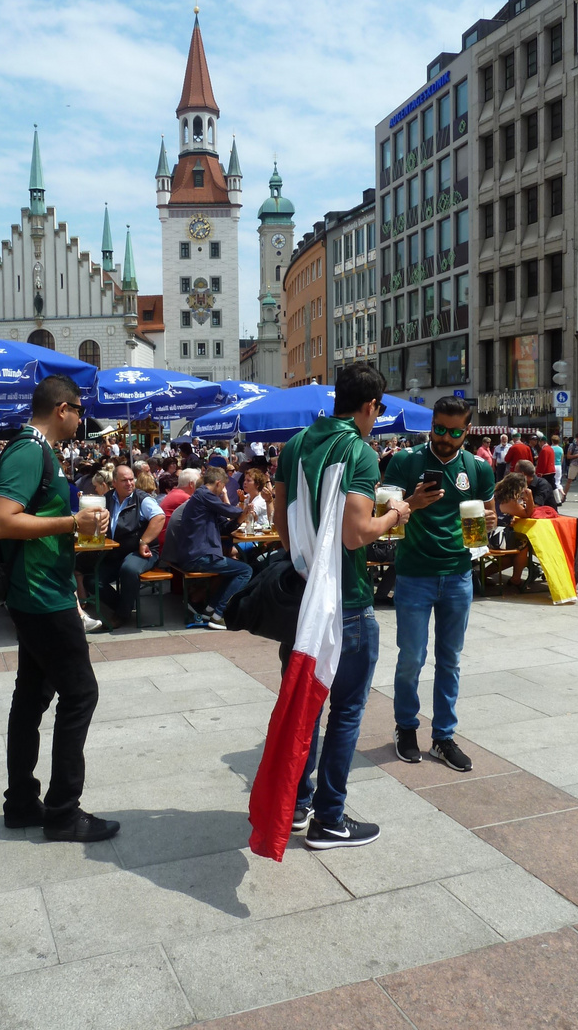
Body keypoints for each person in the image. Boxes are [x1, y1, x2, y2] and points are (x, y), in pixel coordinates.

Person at [252, 362, 409, 854]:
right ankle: (330, 818)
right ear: (370, 406)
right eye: (378, 409)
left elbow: (281, 518)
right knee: (345, 711)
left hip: (304, 601)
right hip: (348, 600)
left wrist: (305, 561)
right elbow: (355, 532)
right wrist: (396, 515)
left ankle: (298, 805)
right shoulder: (359, 451)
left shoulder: (296, 444)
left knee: (306, 706)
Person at [0, 374, 119, 843]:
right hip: (41, 594)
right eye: (79, 410)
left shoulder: (34, 450)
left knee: (31, 697)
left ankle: (22, 802)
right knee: (80, 694)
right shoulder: (28, 449)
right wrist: (72, 521)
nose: (82, 418)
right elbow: (2, 522)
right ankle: (63, 812)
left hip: (40, 590)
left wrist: (77, 526)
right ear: (62, 408)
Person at [385, 395, 497, 773]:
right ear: (431, 423)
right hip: (414, 573)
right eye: (438, 429)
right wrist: (411, 503)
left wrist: (492, 522)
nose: (444, 438)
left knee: (449, 660)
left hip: (458, 573)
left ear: (467, 430)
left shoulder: (478, 469)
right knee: (411, 658)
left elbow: (488, 512)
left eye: (453, 431)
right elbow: (386, 516)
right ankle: (406, 728)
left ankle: (443, 736)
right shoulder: (405, 461)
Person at [176, 465, 253, 630]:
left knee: (233, 571)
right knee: (245, 571)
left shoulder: (204, 500)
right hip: (198, 556)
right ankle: (219, 614)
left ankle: (210, 610)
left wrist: (240, 518)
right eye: (223, 486)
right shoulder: (204, 494)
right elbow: (229, 510)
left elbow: (225, 527)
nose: (223, 490)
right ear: (218, 483)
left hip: (195, 555)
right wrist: (243, 510)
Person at [98, 464, 165, 626]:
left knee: (129, 569)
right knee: (92, 579)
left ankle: (122, 615)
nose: (129, 483)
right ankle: (124, 605)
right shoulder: (107, 498)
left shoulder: (142, 499)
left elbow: (159, 517)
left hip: (141, 552)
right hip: (115, 553)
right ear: (114, 482)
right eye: (124, 480)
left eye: (131, 479)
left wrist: (144, 541)